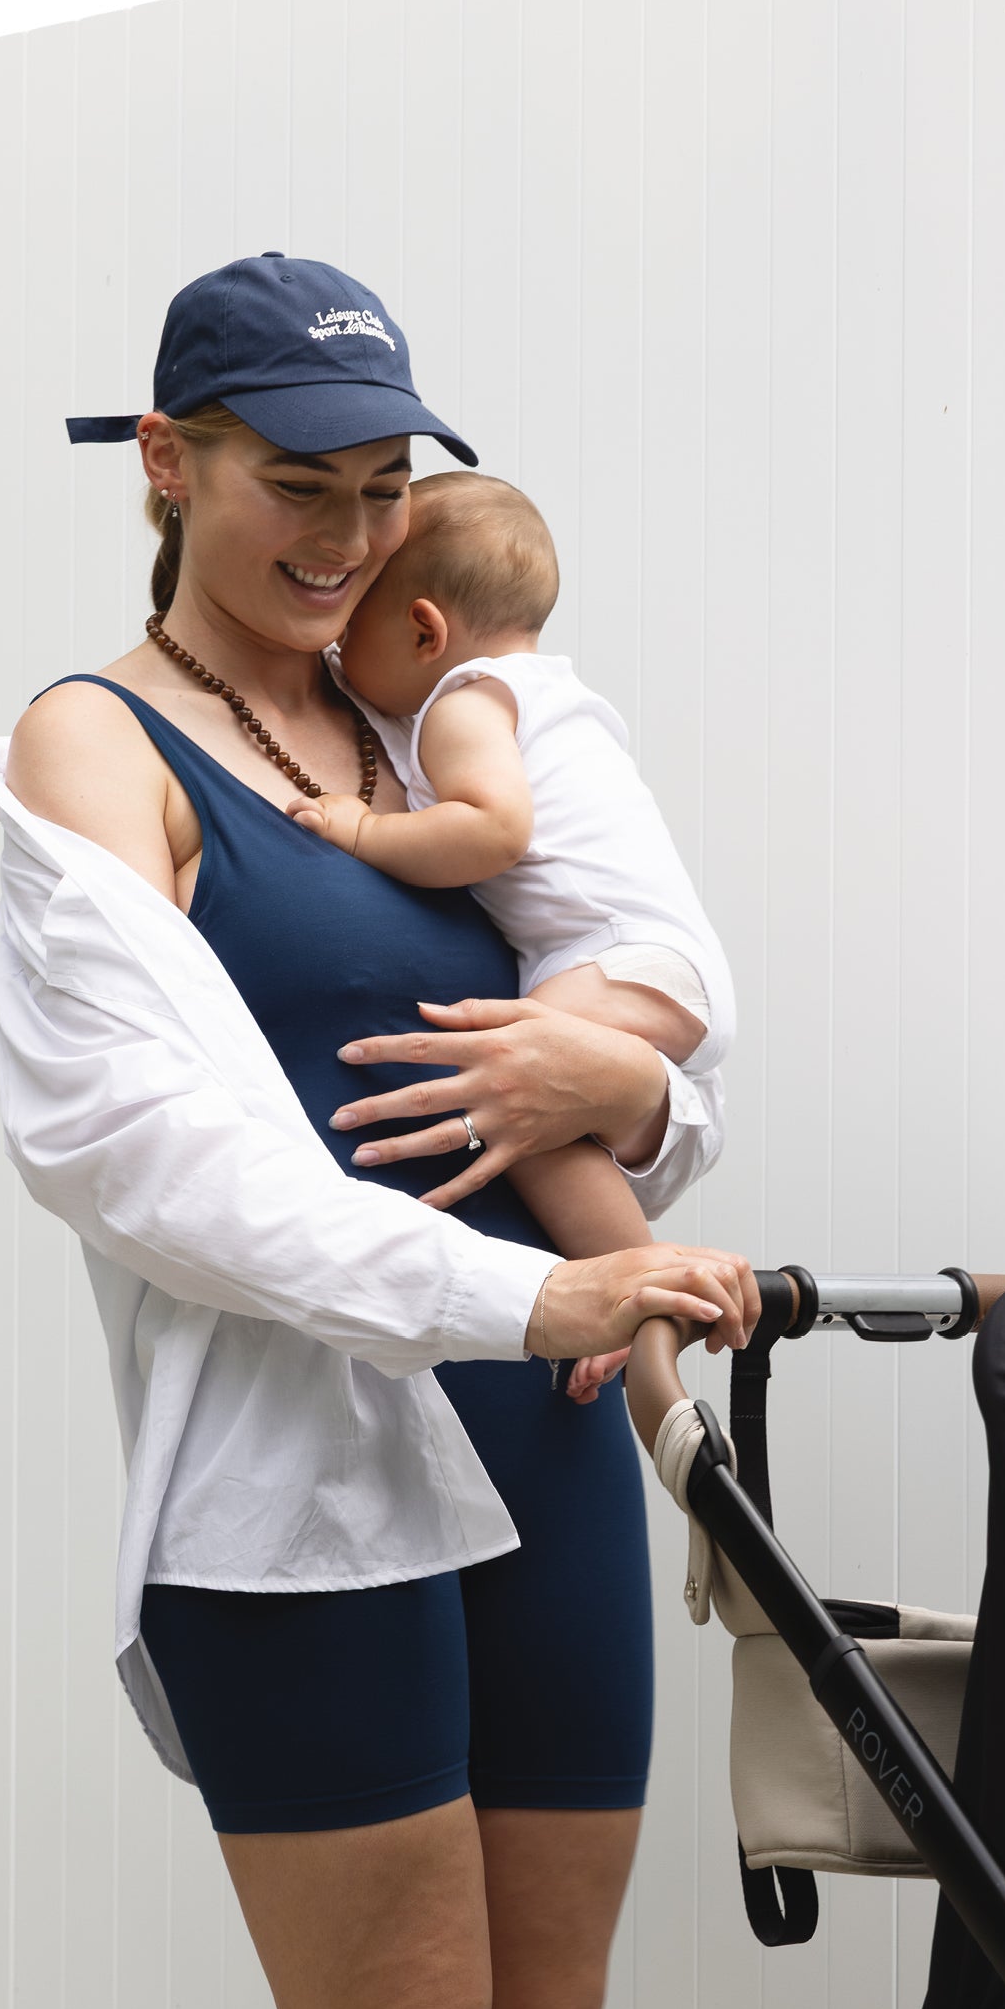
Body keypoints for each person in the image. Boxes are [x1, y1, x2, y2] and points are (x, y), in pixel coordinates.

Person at [0, 252, 755, 2009]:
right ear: (163, 461)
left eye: (380, 482)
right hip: (308, 1491)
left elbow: (650, 1019)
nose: (343, 535)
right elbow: (147, 1165)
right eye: (290, 484)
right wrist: (537, 1286)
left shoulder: (432, 713)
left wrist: (615, 1106)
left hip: (552, 1427)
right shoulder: (95, 746)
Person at [292, 468, 734, 1401]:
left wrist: (361, 829)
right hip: (657, 959)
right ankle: (636, 1279)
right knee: (540, 1107)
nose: (334, 651)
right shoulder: (542, 689)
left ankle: (640, 1280)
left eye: (352, 627)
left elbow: (494, 829)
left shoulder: (464, 703)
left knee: (514, 1083)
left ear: (423, 630)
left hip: (613, 955)